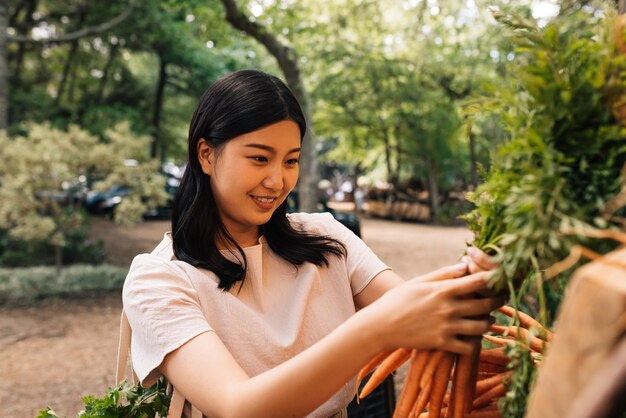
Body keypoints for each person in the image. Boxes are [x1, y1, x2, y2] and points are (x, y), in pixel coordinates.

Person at [122, 69, 501, 418]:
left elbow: (414, 306)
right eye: (259, 158)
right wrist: (374, 330)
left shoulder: (324, 238)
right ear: (206, 154)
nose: (277, 180)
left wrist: (476, 283)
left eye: (291, 160)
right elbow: (237, 406)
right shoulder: (158, 279)